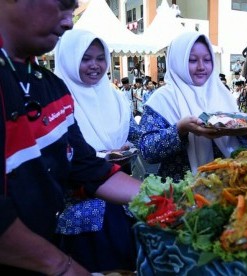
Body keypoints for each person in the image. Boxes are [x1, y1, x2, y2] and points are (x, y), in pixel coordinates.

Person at [0, 1, 141, 275]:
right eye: (63, 5)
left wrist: (164, 198)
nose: (69, 22)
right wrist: (62, 267)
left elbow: (85, 166)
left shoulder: (52, 88)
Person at [53, 29, 141, 272]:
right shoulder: (56, 99)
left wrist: (129, 148)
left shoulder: (116, 97)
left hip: (122, 205)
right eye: (85, 58)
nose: (95, 65)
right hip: (81, 218)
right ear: (69, 58)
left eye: (100, 58)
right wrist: (99, 158)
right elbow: (56, 158)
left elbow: (138, 138)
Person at [138, 31, 247, 181]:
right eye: (192, 60)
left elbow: (242, 145)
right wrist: (180, 129)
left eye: (207, 59)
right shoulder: (162, 99)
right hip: (183, 192)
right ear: (177, 61)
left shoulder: (222, 93)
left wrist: (246, 128)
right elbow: (147, 151)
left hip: (228, 186)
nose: (201, 67)